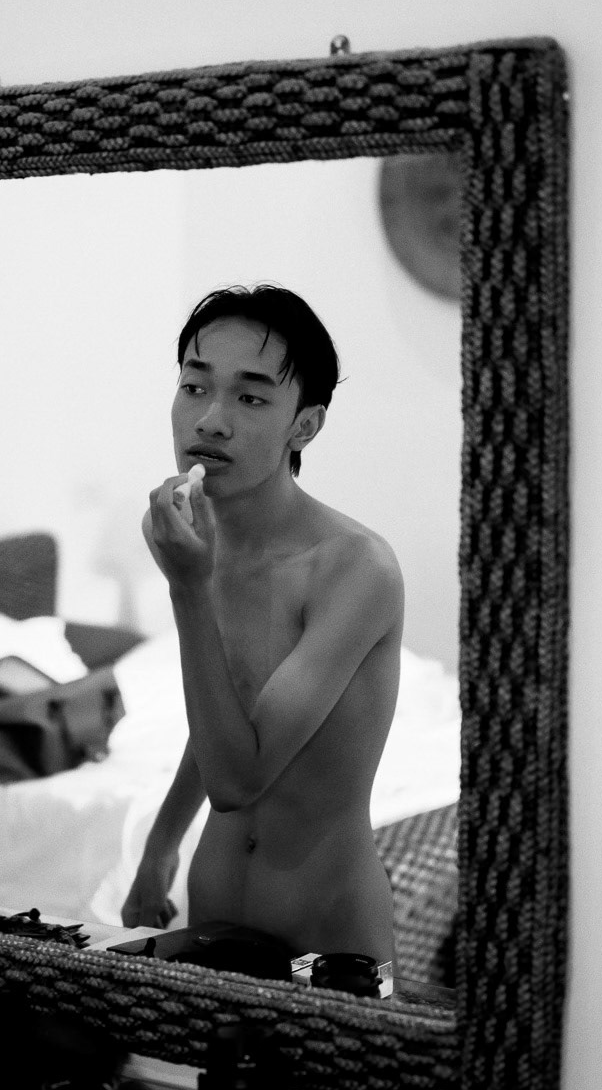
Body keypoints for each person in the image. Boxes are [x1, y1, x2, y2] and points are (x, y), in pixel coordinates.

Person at [121, 285, 403, 968]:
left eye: (250, 398)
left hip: (329, 938)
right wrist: (161, 846)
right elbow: (228, 708)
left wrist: (188, 589)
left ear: (304, 427)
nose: (210, 420)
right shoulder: (196, 539)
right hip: (215, 910)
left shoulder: (354, 568)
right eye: (194, 386)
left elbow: (238, 780)